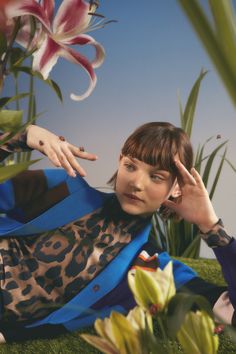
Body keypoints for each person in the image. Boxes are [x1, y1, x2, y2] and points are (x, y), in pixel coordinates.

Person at [0, 122, 234, 343]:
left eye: (156, 176)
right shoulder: (63, 187)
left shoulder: (151, 269)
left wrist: (211, 226)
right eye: (131, 166)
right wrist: (24, 136)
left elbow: (230, 313)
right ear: (120, 161)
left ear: (175, 188)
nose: (137, 183)